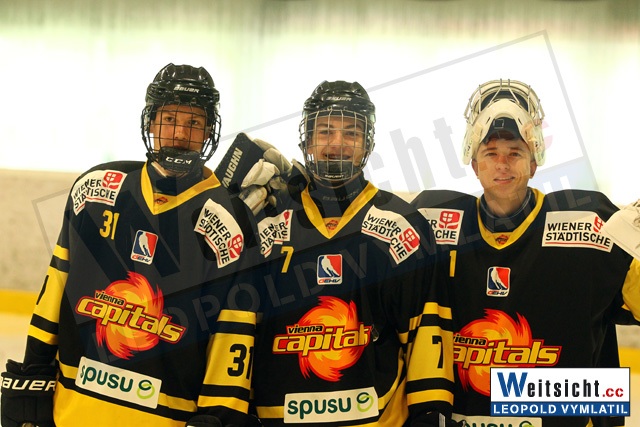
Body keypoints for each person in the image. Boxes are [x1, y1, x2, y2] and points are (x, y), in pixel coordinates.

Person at [0, 63, 262, 427]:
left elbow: (233, 330)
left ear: (209, 132)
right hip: (73, 413)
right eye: (169, 119)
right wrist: (34, 368)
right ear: (150, 122)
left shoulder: (230, 224)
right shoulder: (95, 190)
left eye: (194, 123)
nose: (179, 133)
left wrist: (218, 414)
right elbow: (55, 288)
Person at [410, 79, 640, 427]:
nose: (502, 164)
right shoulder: (432, 222)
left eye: (515, 153)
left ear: (534, 164)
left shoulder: (590, 222)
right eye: (491, 153)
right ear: (474, 164)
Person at [246, 80, 459, 426]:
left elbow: (425, 330)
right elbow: (237, 325)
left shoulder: (402, 227)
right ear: (307, 140)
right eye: (325, 132)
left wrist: (429, 411)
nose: (337, 144)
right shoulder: (268, 221)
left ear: (367, 144)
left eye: (351, 133)